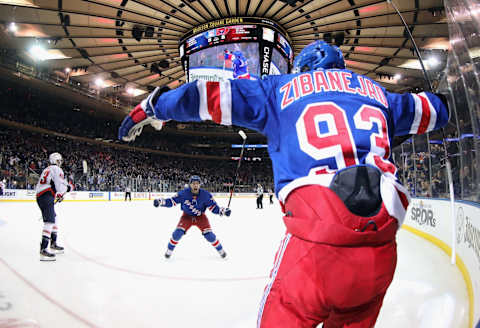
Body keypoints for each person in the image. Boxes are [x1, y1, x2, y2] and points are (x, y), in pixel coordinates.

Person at [118, 40, 449, 328]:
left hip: (316, 248)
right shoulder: (381, 95)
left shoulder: (279, 89)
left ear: (302, 69)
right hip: (380, 252)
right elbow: (437, 110)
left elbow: (206, 96)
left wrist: (153, 105)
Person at [153, 175, 231, 259]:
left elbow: (214, 208)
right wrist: (161, 202)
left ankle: (221, 251)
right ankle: (169, 251)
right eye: (193, 183)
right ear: (190, 184)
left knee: (210, 236)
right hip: (187, 216)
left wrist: (223, 211)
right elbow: (172, 201)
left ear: (200, 185)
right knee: (177, 234)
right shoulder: (183, 193)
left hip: (200, 217)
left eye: (197, 183)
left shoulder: (205, 195)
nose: (195, 185)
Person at [35, 152, 72, 261]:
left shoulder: (47, 169)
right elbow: (59, 185)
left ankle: (53, 243)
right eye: (59, 160)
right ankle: (43, 249)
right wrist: (65, 190)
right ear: (56, 160)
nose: (60, 162)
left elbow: (52, 184)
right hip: (46, 196)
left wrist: (59, 193)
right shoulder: (57, 170)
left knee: (54, 218)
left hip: (42, 195)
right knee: (49, 221)